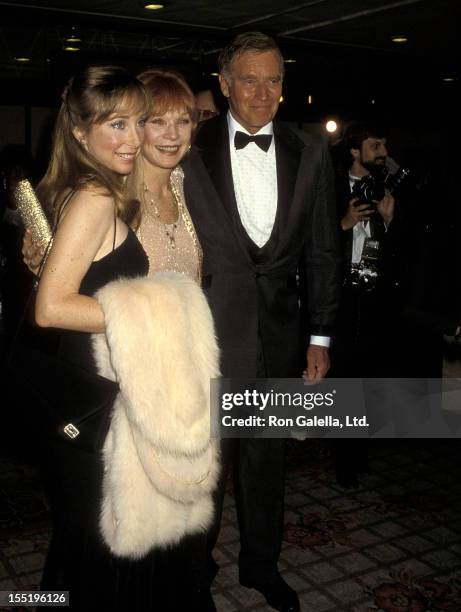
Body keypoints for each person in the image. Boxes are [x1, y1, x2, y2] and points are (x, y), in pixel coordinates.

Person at [31, 65, 217, 611]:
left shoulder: (94, 187)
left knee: (94, 538)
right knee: (102, 543)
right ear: (80, 132)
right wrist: (160, 310)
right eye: (120, 124)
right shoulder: (95, 195)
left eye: (137, 123)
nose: (135, 138)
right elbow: (50, 308)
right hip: (99, 393)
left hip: (109, 385)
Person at [182, 32, 341, 612]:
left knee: (266, 464)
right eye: (248, 79)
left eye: (273, 79)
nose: (262, 91)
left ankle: (260, 567)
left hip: (279, 335)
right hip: (207, 335)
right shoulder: (188, 146)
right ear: (223, 86)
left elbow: (324, 249)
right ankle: (194, 572)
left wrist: (320, 335)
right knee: (203, 466)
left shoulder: (310, 149)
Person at [330, 121, 405, 486]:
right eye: (376, 145)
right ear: (355, 151)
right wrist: (343, 224)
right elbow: (311, 245)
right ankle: (343, 459)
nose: (384, 153)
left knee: (369, 377)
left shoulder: (387, 190)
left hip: (374, 299)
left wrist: (390, 221)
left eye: (385, 145)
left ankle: (359, 452)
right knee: (342, 377)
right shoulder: (328, 187)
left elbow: (408, 252)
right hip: (341, 298)